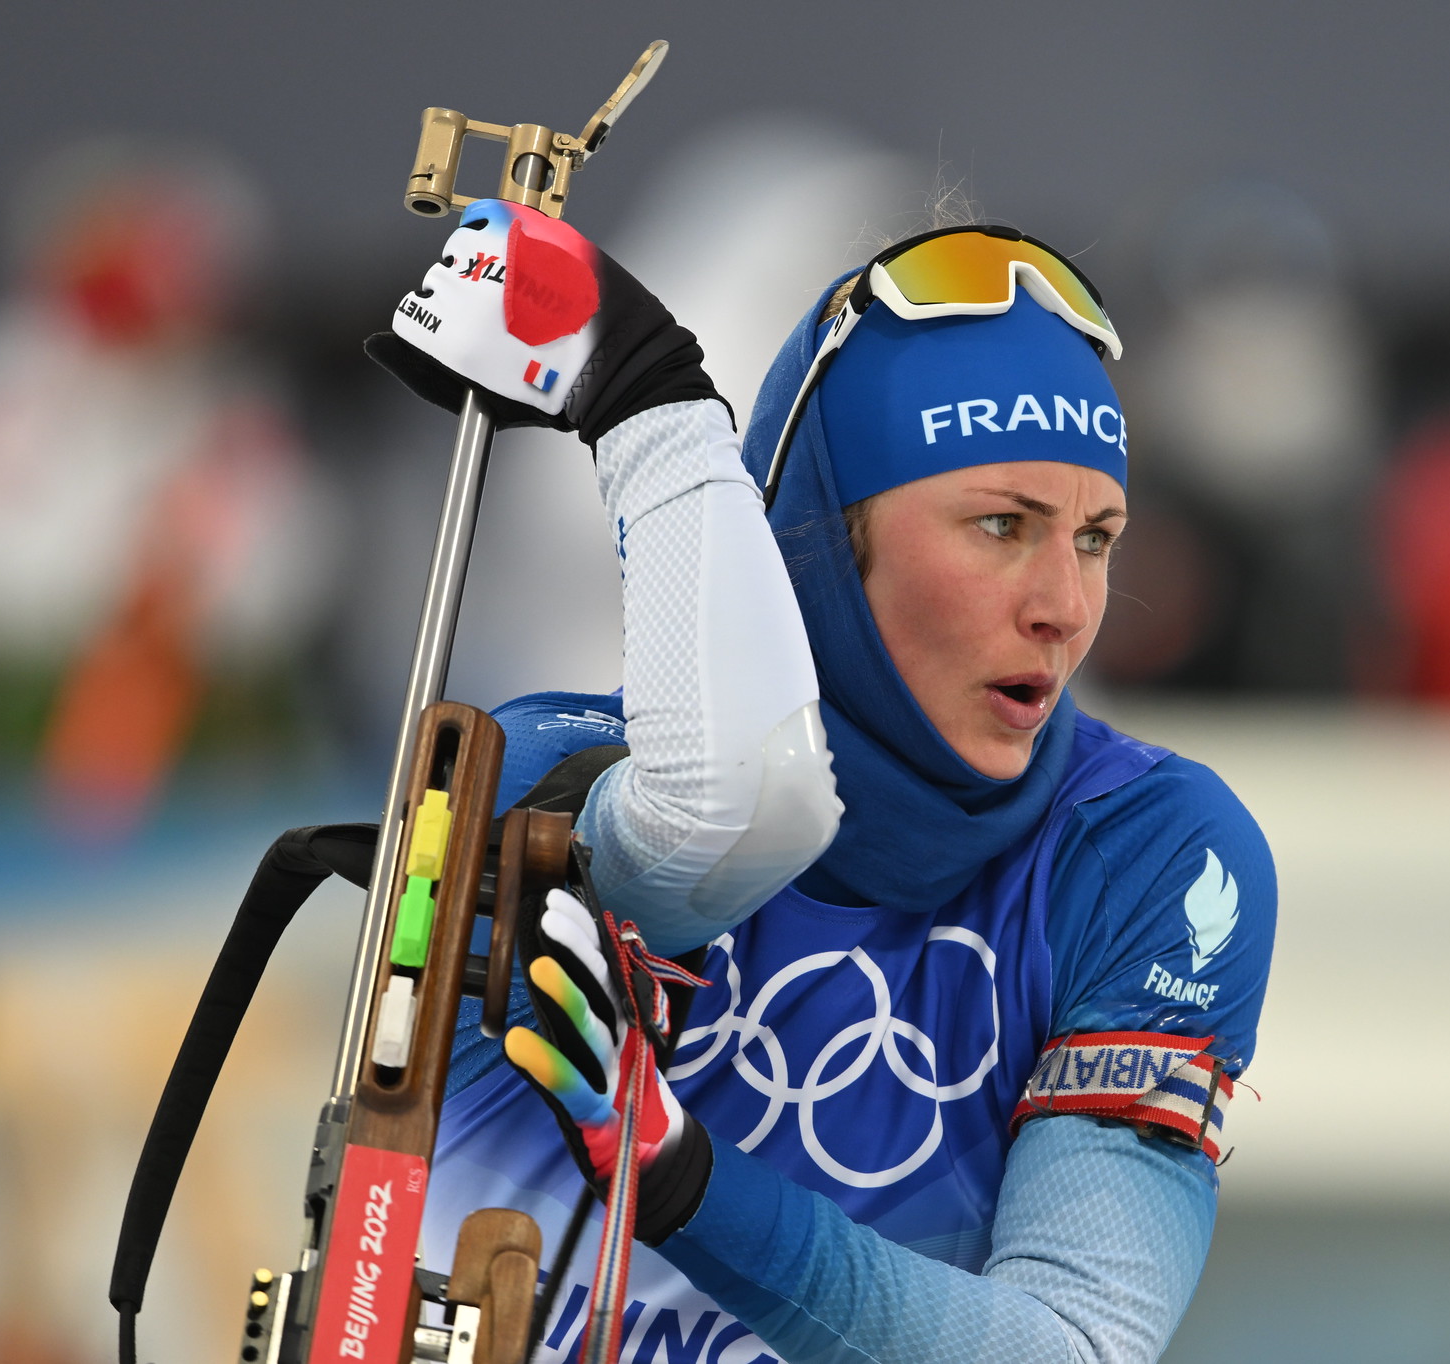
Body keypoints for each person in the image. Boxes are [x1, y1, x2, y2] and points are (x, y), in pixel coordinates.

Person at [370, 200, 1277, 1364]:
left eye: (1095, 536)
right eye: (1001, 524)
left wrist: (682, 1174)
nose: (1065, 604)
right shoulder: (533, 772)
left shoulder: (1146, 848)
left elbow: (1068, 1347)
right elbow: (722, 814)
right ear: (815, 537)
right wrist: (654, 411)